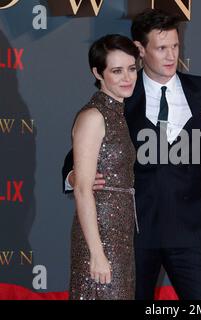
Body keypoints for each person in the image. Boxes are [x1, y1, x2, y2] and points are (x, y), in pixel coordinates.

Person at [63, 9, 201, 300]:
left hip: (191, 232)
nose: (171, 56)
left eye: (175, 46)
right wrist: (73, 176)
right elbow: (84, 146)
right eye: (161, 48)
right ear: (141, 50)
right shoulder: (124, 95)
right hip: (135, 233)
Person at [68, 34, 139, 300]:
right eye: (117, 71)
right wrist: (97, 253)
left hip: (121, 233)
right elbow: (83, 191)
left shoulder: (120, 113)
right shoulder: (93, 116)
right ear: (97, 73)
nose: (127, 78)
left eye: (131, 69)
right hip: (100, 235)